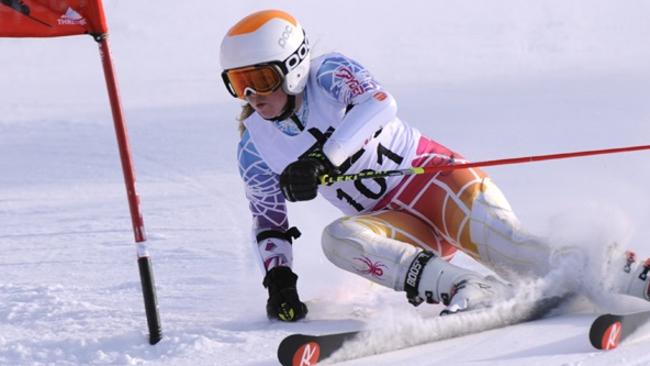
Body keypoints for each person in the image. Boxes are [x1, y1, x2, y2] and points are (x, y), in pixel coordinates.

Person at [219, 9, 650, 322]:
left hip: (438, 185)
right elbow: (269, 221)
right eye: (238, 83)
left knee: (519, 255)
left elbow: (379, 105)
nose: (253, 95)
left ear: (294, 66)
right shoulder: (255, 148)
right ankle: (467, 287)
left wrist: (320, 159)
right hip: (396, 225)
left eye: (261, 78)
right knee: (338, 240)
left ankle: (628, 275)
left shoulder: (329, 73)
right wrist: (279, 283)